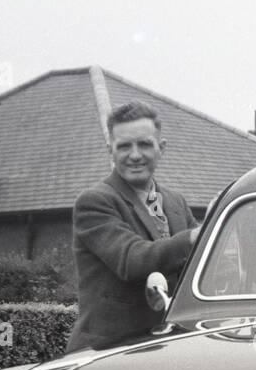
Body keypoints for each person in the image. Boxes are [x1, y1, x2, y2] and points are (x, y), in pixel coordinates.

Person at [65, 100, 200, 352]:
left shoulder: (176, 202)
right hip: (105, 354)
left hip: (166, 347)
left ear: (161, 148)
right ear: (111, 150)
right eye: (124, 146)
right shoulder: (94, 202)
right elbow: (131, 260)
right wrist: (196, 236)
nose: (135, 155)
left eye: (145, 144)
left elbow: (202, 263)